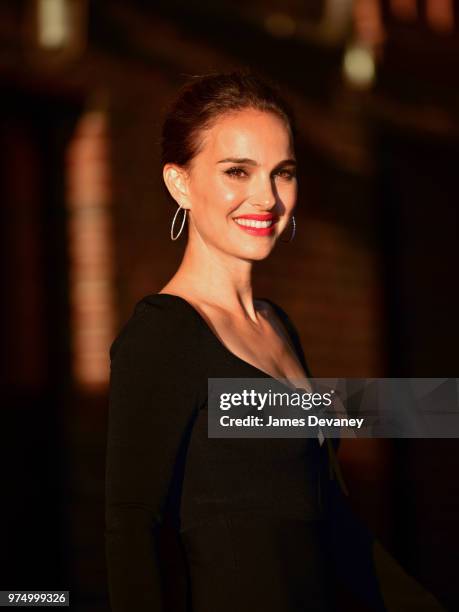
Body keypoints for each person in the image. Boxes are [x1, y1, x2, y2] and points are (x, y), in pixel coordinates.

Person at [105, 70, 443, 612]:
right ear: (180, 183)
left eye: (282, 173)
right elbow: (130, 525)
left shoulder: (277, 326)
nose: (266, 198)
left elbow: (326, 517)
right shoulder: (162, 334)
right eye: (238, 171)